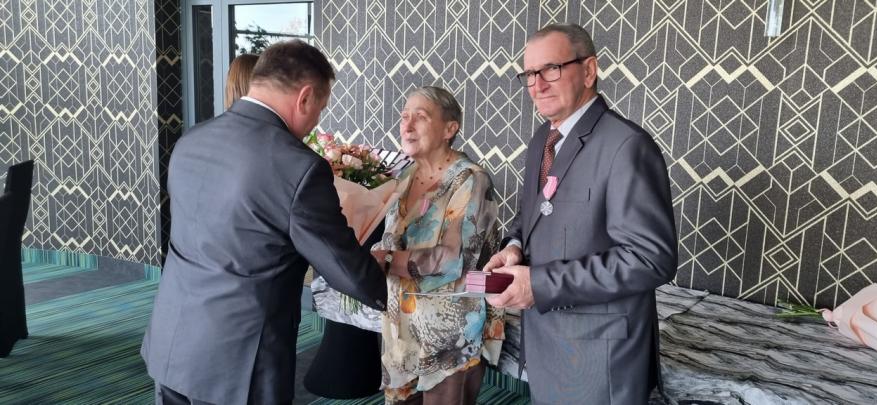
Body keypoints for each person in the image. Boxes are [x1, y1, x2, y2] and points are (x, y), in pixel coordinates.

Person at [141, 40, 388, 405]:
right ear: (305, 97)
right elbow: (344, 269)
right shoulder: (299, 167)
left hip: (173, 339)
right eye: (320, 109)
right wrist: (382, 278)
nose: (315, 122)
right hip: (238, 360)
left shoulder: (192, 140)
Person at [483, 23, 678, 404]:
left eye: (551, 69)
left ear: (589, 71)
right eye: (529, 74)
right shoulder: (542, 141)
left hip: (598, 360)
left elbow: (650, 259)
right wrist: (514, 246)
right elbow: (532, 216)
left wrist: (539, 284)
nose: (537, 85)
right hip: (547, 347)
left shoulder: (626, 146)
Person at [371, 86, 505, 405]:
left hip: (448, 336)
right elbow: (391, 235)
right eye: (404, 116)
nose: (407, 125)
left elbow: (453, 260)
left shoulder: (472, 180)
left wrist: (385, 259)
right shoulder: (406, 175)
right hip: (401, 326)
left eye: (420, 117)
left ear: (449, 129)